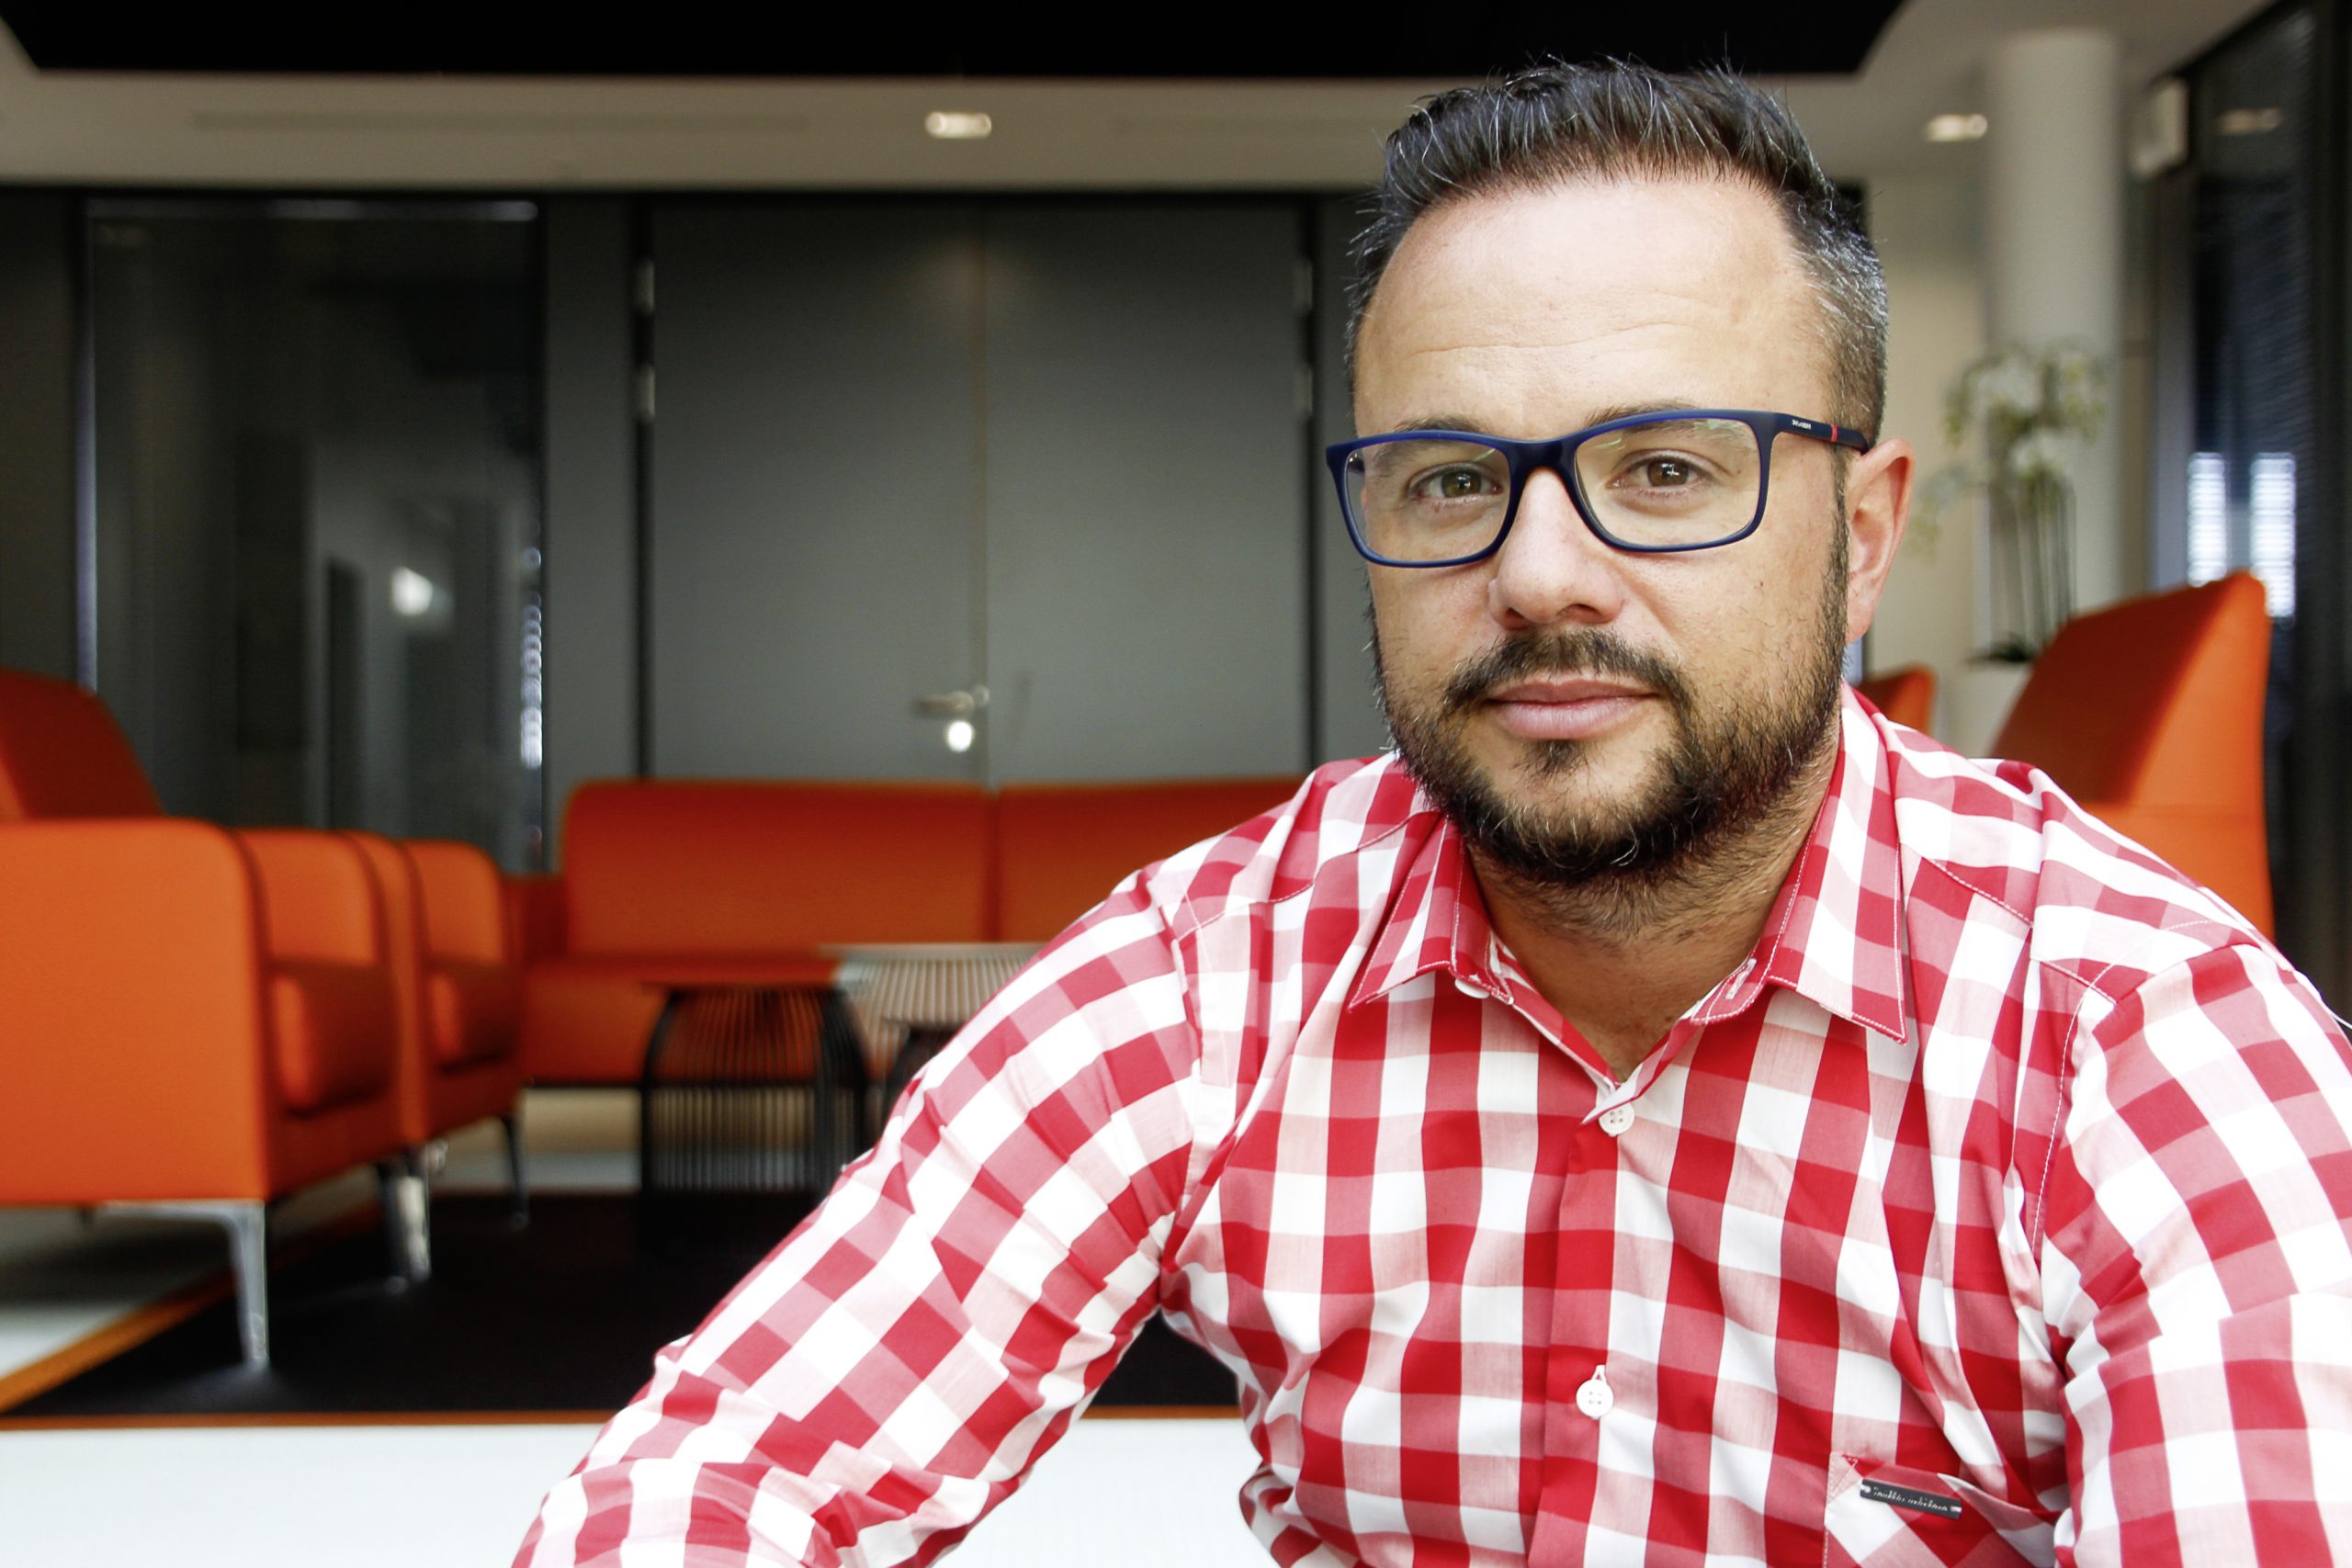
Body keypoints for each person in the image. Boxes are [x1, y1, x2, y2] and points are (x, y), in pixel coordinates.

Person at [518, 62, 2352, 1565]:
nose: (1539, 573)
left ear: (1860, 537)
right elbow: (728, 1476)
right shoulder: (1218, 975)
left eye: (1665, 468)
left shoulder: (2142, 1037)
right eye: (1451, 479)